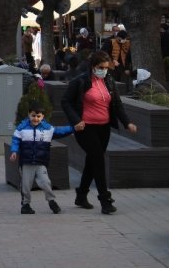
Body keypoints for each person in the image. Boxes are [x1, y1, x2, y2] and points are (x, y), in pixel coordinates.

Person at [61, 51, 137, 215]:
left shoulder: (109, 81)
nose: (104, 70)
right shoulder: (80, 81)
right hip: (85, 127)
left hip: (103, 127)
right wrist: (76, 120)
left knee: (92, 161)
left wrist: (127, 122)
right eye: (100, 67)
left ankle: (81, 195)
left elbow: (117, 104)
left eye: (106, 67)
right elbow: (65, 101)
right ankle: (105, 199)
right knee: (99, 160)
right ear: (92, 67)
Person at [9, 101, 74, 214]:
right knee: (26, 184)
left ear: (43, 116)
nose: (35, 119)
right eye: (33, 116)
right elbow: (15, 140)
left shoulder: (47, 128)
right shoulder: (22, 128)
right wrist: (14, 151)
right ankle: (25, 204)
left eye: (38, 116)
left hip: (40, 162)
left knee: (45, 182)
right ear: (29, 114)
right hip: (27, 162)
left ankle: (51, 201)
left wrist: (73, 128)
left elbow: (60, 131)